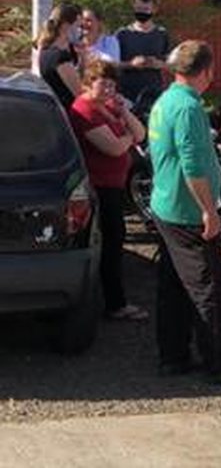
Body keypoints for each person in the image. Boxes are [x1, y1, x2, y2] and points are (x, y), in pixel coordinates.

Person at [148, 40, 221, 385]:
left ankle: (173, 356)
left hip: (166, 205)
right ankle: (219, 364)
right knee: (209, 289)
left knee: (174, 286)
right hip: (187, 211)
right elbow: (192, 164)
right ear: (206, 71)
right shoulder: (189, 108)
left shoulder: (166, 100)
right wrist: (210, 210)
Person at [68, 58, 148, 321]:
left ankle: (113, 299)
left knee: (115, 240)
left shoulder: (108, 107)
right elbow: (113, 147)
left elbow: (141, 133)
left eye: (112, 85)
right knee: (111, 244)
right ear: (89, 83)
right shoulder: (84, 110)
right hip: (99, 188)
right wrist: (126, 138)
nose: (108, 91)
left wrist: (123, 112)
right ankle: (115, 303)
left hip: (115, 185)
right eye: (103, 84)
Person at [116, 0, 170, 119]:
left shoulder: (161, 34)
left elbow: (170, 63)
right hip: (127, 92)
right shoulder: (122, 34)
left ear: (154, 10)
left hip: (154, 91)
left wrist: (158, 64)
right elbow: (113, 64)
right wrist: (131, 64)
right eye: (139, 8)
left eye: (146, 9)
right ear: (134, 7)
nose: (142, 12)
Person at [35, 2, 82, 110]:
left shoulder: (46, 50)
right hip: (68, 111)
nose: (80, 31)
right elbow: (79, 93)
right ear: (66, 25)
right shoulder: (59, 57)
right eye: (77, 26)